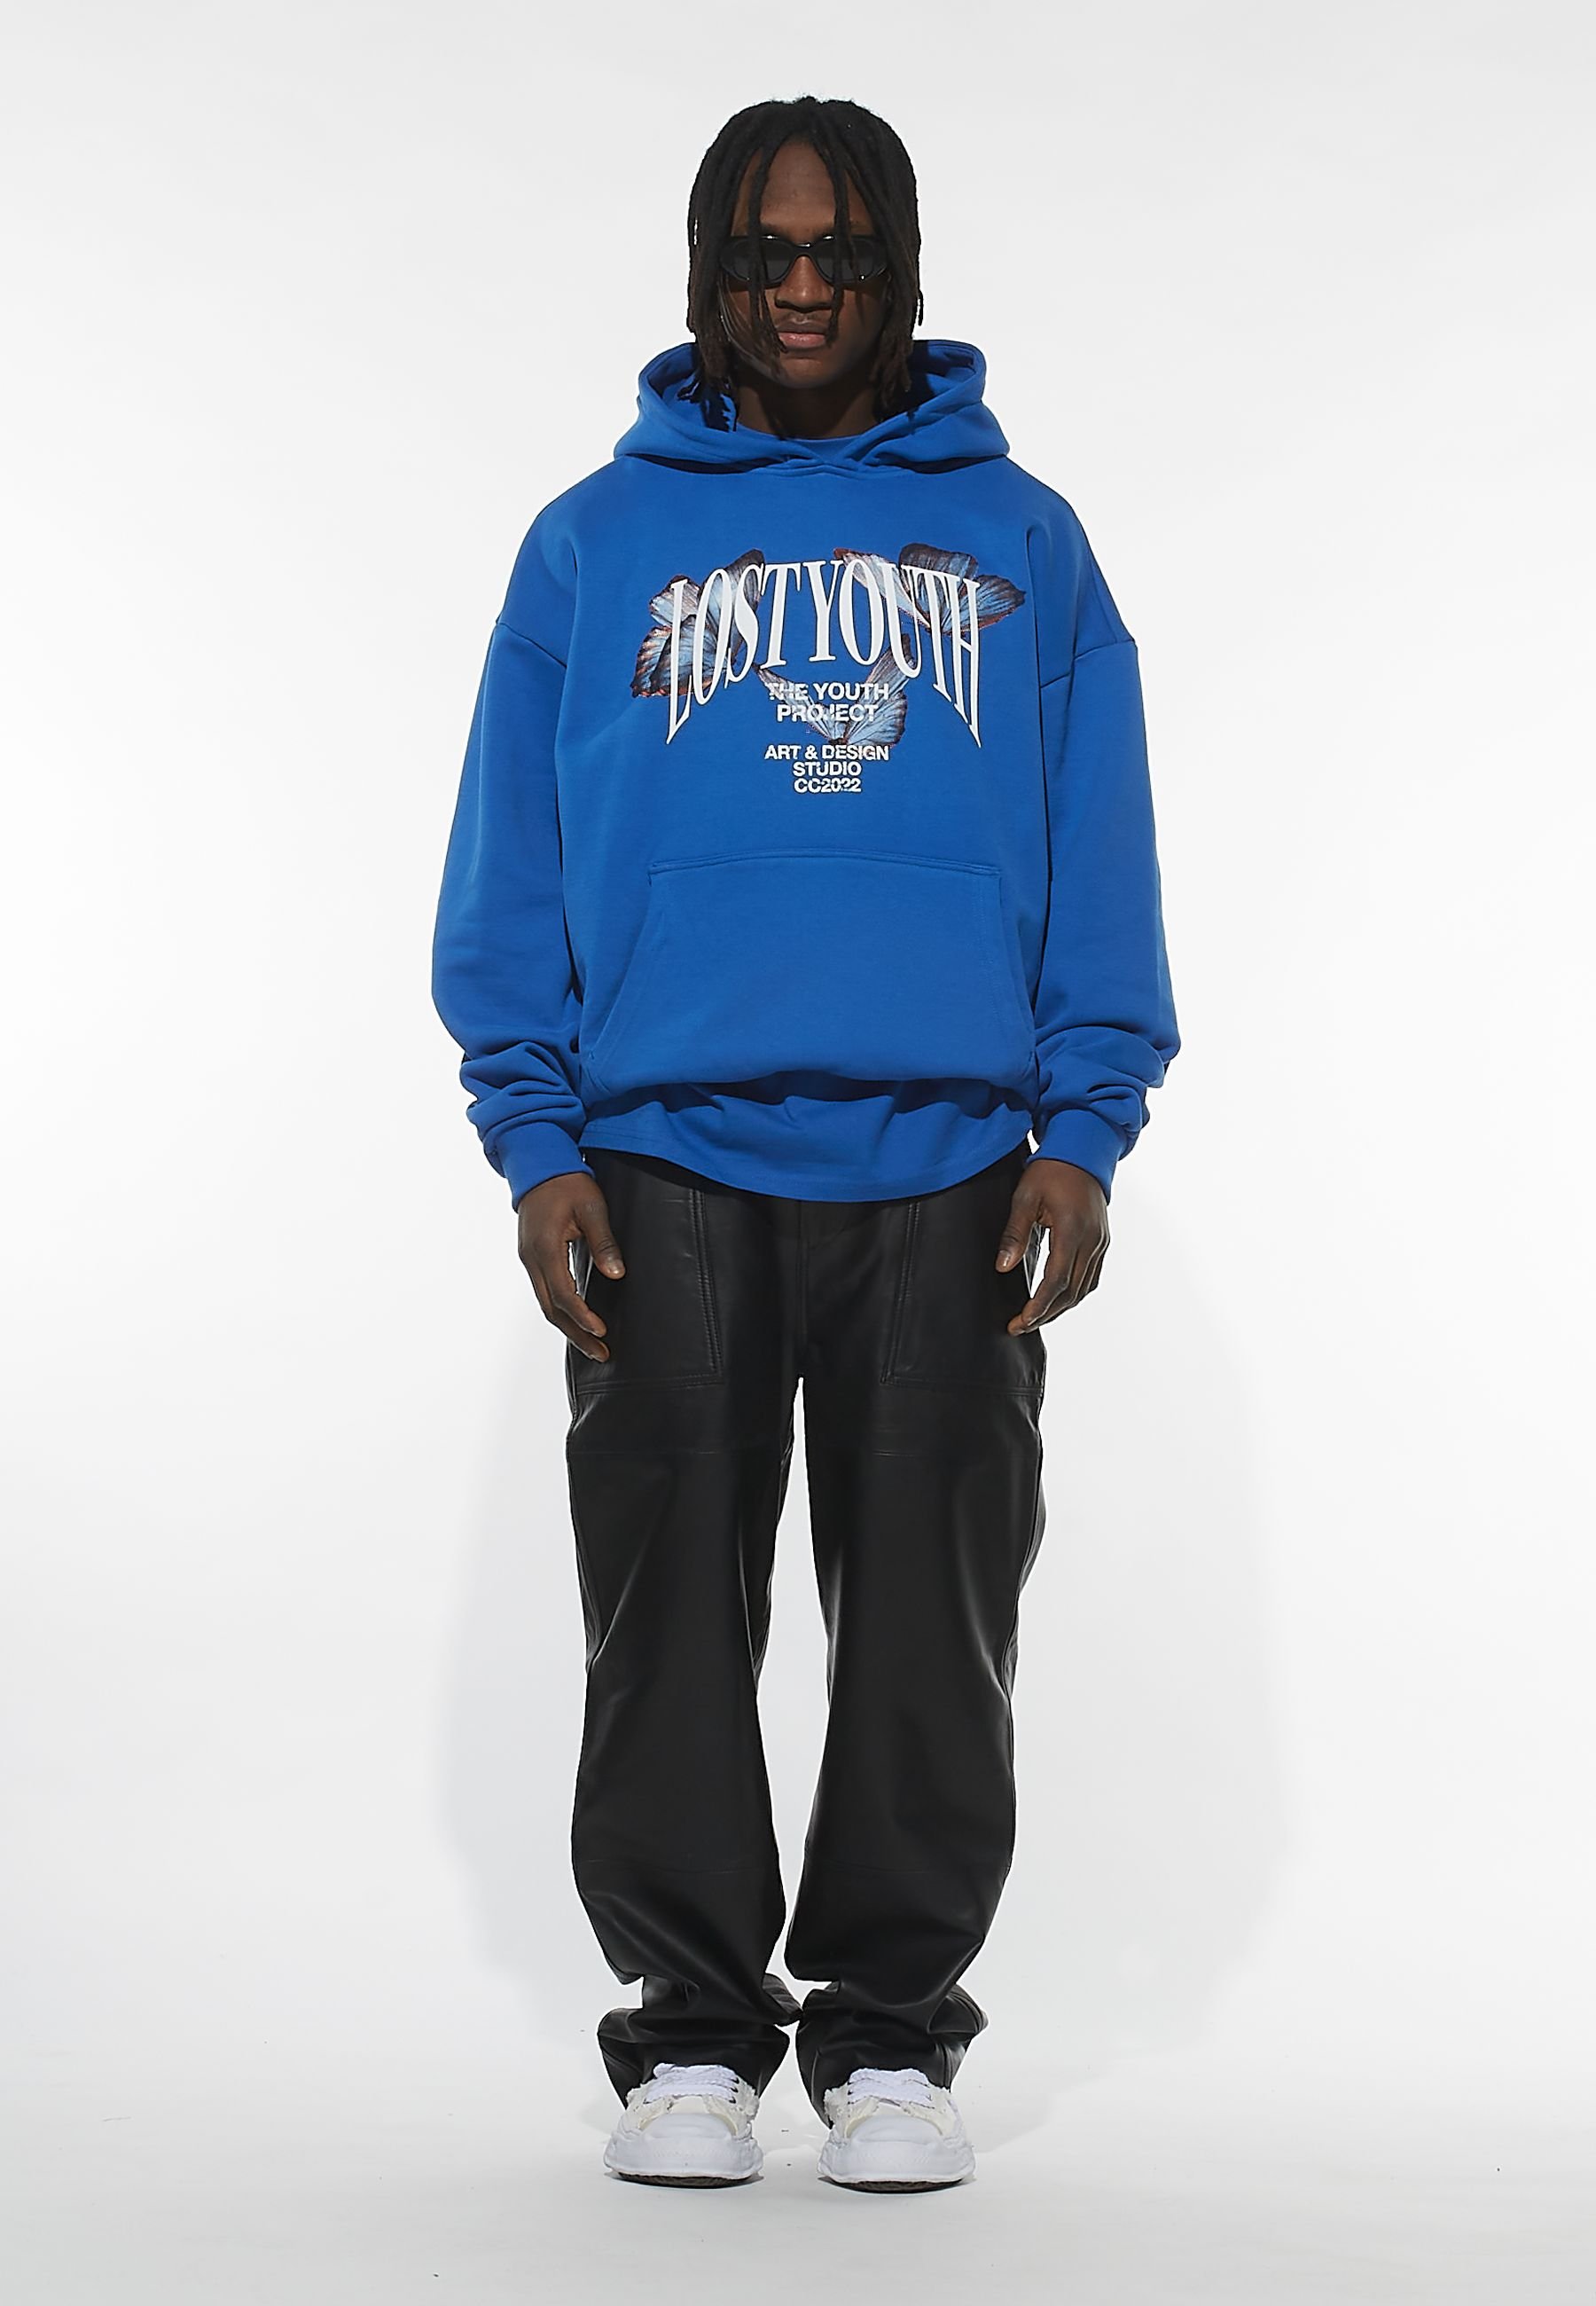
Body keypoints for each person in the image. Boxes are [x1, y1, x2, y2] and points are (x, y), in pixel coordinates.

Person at [431, 92, 1179, 2192]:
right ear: (711, 268)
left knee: (934, 1617)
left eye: (842, 248)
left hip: (950, 1159)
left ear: (898, 267)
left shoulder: (1024, 539)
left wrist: (1084, 1127)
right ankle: (689, 2033)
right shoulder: (593, 541)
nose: (802, 285)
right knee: (667, 1612)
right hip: (660, 1154)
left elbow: (1101, 846)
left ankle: (887, 2034)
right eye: (765, 249)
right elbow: (510, 857)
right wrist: (536, 1137)